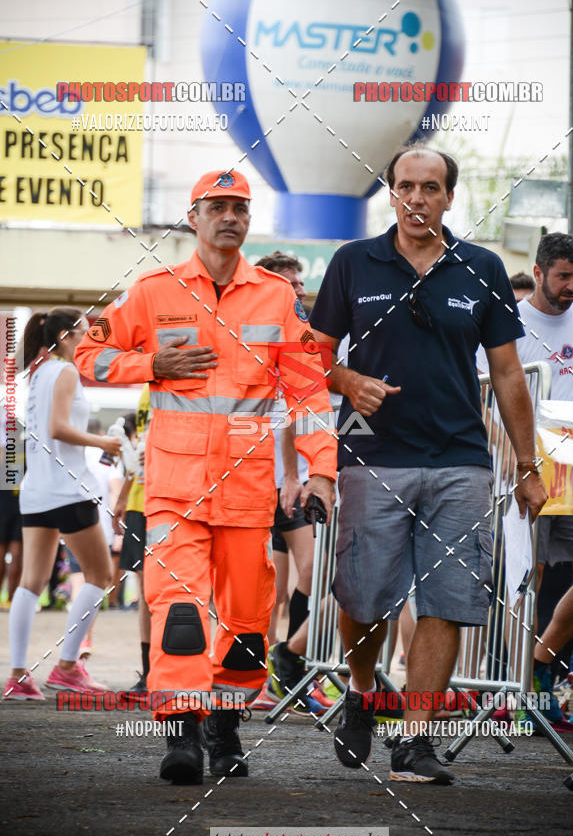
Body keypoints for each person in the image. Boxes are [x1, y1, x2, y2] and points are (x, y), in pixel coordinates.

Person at [74, 170, 338, 785]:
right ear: (193, 217)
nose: (230, 217)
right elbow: (87, 351)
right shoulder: (153, 291)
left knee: (247, 622)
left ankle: (225, 726)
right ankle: (183, 732)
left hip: (248, 493)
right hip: (174, 489)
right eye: (217, 207)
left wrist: (322, 471)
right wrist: (149, 362)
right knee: (181, 612)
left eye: (240, 208)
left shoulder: (276, 296)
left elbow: (309, 391)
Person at [310, 146, 547, 784]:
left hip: (462, 462)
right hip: (371, 457)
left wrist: (526, 465)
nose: (417, 198)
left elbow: (505, 373)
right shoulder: (352, 262)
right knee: (363, 596)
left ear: (449, 197)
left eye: (431, 188)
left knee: (449, 599)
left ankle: (415, 739)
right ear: (391, 193)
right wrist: (347, 380)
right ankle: (362, 691)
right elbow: (312, 357)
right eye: (406, 186)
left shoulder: (483, 267)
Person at [479, 234, 573, 731]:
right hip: (524, 465)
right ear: (540, 269)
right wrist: (512, 458)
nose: (571, 286)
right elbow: (484, 396)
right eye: (563, 276)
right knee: (526, 581)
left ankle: (539, 664)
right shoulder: (508, 321)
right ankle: (519, 692)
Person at [2, 308, 120, 701]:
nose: (91, 338)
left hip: (37, 491)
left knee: (29, 584)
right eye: (87, 332)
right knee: (100, 577)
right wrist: (105, 443)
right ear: (68, 335)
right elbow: (58, 428)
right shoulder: (65, 371)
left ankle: (19, 676)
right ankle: (68, 667)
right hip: (69, 490)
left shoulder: (37, 373)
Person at [253, 251, 329, 710]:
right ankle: (263, 676)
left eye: (301, 283)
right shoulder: (265, 333)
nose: (300, 290)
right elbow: (280, 415)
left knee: (311, 577)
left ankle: (292, 668)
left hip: (293, 481)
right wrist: (288, 476)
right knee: (269, 590)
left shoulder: (301, 334)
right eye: (291, 283)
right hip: (272, 481)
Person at [113, 384, 152, 698]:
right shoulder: (144, 390)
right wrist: (124, 499)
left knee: (166, 591)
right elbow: (138, 451)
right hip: (141, 503)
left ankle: (173, 671)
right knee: (146, 592)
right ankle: (149, 673)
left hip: (173, 501)